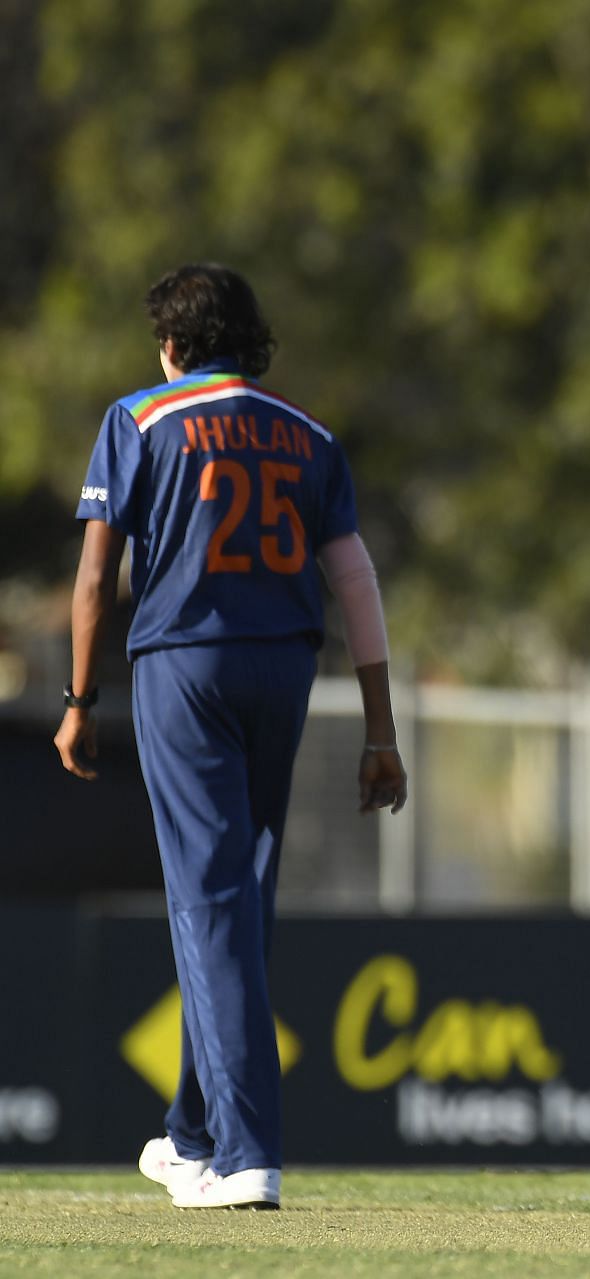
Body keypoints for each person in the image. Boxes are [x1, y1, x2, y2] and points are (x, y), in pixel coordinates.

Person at [54, 263, 408, 1210]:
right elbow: (358, 583)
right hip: (285, 668)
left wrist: (80, 697)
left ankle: (247, 1151)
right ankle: (192, 1132)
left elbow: (96, 580)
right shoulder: (310, 436)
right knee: (239, 898)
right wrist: (381, 729)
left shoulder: (138, 418)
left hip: (185, 663)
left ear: (171, 347)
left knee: (209, 900)